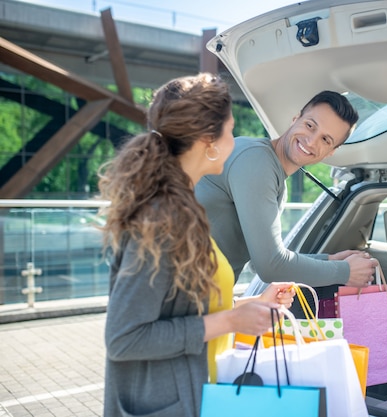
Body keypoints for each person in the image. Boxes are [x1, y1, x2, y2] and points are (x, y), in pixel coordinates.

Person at [98, 73, 295, 417]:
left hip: (192, 393)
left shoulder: (183, 206)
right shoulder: (161, 218)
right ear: (209, 141)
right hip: (162, 406)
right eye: (231, 130)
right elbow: (124, 338)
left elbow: (179, 305)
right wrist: (231, 321)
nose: (234, 140)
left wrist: (251, 306)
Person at [194, 90, 378, 291]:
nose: (311, 141)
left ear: (331, 152)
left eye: (326, 140)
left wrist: (329, 260)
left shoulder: (274, 178)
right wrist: (344, 272)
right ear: (295, 119)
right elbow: (269, 266)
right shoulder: (256, 161)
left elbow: (260, 260)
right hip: (175, 299)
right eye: (310, 126)